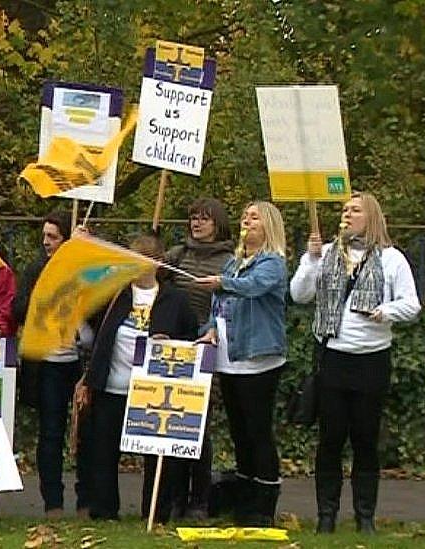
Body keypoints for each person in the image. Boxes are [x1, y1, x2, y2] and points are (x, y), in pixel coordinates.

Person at [290, 191, 420, 534]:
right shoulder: (329, 253)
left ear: (371, 217)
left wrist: (385, 311)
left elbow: (412, 304)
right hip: (332, 359)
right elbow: (299, 294)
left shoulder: (392, 259)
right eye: (344, 209)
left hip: (371, 361)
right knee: (330, 440)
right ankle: (326, 516)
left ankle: (365, 517)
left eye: (355, 210)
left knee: (365, 440)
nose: (346, 215)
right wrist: (310, 259)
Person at [85, 235, 199, 521]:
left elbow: (190, 337)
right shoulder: (114, 294)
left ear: (157, 264)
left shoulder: (174, 299)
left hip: (152, 391)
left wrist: (168, 341)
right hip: (112, 385)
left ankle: (155, 512)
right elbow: (86, 309)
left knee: (155, 453)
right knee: (104, 451)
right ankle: (104, 510)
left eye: (142, 261)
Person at [195, 200, 288, 527]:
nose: (247, 221)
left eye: (255, 217)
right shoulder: (234, 263)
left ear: (268, 227)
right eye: (245, 216)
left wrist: (222, 282)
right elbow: (217, 308)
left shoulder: (272, 263)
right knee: (239, 432)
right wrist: (208, 331)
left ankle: (264, 503)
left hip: (258, 359)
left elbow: (253, 288)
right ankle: (244, 497)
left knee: (258, 431)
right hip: (229, 359)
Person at [13, 210, 95, 518]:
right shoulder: (37, 269)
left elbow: (103, 306)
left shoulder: (90, 270)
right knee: (50, 432)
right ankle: (53, 502)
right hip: (48, 365)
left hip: (81, 364)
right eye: (44, 236)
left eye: (53, 237)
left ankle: (86, 499)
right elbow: (19, 308)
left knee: (84, 433)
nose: (47, 242)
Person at [164, 197, 234, 519]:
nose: (196, 224)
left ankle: (199, 500)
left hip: (209, 351)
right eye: (193, 218)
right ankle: (175, 497)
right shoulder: (178, 255)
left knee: (199, 429)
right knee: (174, 424)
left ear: (217, 223)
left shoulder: (230, 262)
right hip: (175, 351)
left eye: (204, 219)